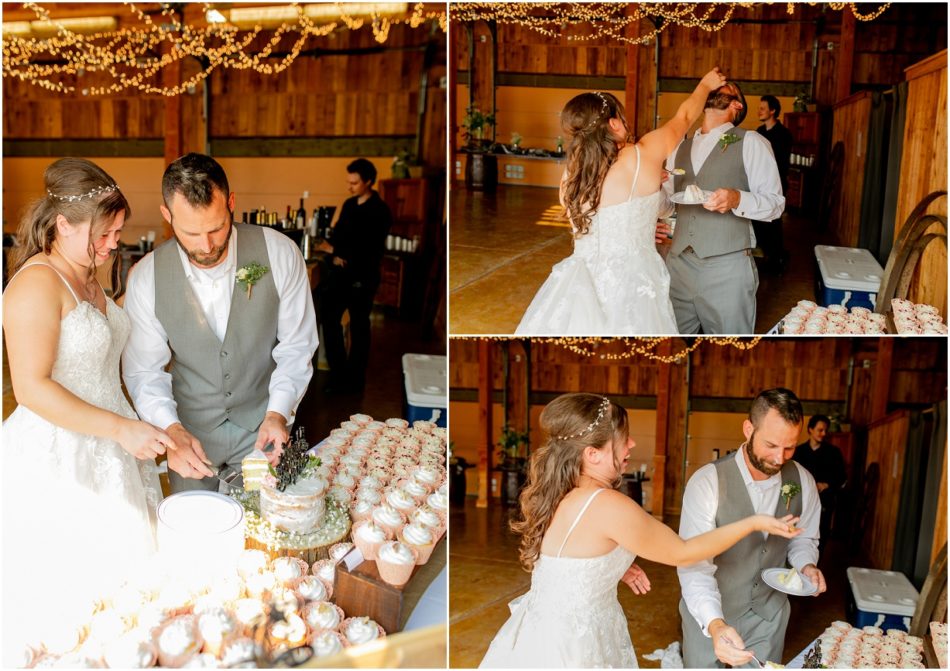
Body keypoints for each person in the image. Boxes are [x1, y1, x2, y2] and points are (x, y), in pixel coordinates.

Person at [479, 393, 802, 668]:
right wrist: (754, 522)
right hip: (574, 646)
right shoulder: (609, 504)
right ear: (592, 454)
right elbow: (683, 552)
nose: (631, 444)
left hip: (538, 633)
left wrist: (612, 567)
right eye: (622, 439)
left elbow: (570, 555)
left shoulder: (564, 492)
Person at [2, 158, 170, 663]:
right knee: (72, 598)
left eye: (118, 232)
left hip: (115, 446)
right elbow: (30, 388)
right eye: (103, 233)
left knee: (124, 588)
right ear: (63, 225)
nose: (112, 243)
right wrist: (122, 428)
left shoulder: (91, 273)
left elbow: (96, 342)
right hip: (61, 455)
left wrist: (129, 286)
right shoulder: (36, 284)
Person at [123, 152, 318, 493]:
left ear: (231, 203)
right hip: (190, 434)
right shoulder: (146, 277)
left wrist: (278, 413)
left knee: (267, 530)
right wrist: (171, 429)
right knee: (197, 532)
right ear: (167, 215)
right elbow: (144, 371)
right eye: (191, 233)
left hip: (263, 425)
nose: (207, 246)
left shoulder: (280, 254)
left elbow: (296, 346)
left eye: (216, 228)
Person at [515, 67, 728, 335]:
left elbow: (598, 224)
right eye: (622, 119)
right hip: (633, 279)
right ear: (614, 124)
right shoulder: (643, 154)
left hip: (578, 280)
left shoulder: (573, 173)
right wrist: (706, 85)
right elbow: (684, 116)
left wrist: (638, 228)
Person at [678, 388, 826, 668]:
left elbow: (804, 538)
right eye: (771, 445)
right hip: (709, 617)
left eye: (790, 447)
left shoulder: (802, 480)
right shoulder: (708, 483)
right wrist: (715, 623)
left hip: (768, 617)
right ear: (749, 429)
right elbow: (694, 564)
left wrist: (807, 565)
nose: (780, 458)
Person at [663, 82, 785, 334]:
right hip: (677, 265)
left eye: (727, 87)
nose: (717, 86)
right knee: (671, 345)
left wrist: (738, 199)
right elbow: (666, 204)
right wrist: (652, 188)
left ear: (736, 105)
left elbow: (775, 204)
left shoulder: (751, 142)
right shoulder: (679, 147)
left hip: (727, 269)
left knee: (730, 349)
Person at [316, 158, 392, 393]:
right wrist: (336, 252)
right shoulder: (349, 205)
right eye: (349, 182)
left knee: (359, 326)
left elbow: (369, 247)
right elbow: (339, 237)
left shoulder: (380, 211)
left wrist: (337, 252)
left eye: (355, 182)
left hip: (364, 275)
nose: (350, 187)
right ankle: (339, 374)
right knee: (330, 320)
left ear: (369, 181)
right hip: (342, 273)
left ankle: (355, 378)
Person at [753, 95, 794, 274]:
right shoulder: (759, 132)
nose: (759, 111)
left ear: (773, 111)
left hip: (776, 183)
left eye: (763, 108)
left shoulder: (784, 135)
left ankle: (777, 257)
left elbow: (781, 164)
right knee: (759, 220)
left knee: (773, 221)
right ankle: (771, 253)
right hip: (758, 184)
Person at [793, 414, 847, 550]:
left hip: (825, 502)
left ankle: (814, 566)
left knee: (821, 537)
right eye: (820, 430)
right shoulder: (798, 452)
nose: (823, 434)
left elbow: (841, 476)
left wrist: (826, 485)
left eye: (825, 430)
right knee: (798, 536)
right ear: (810, 429)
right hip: (801, 503)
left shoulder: (834, 452)